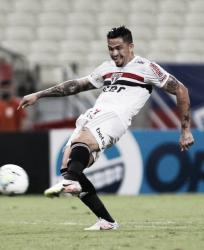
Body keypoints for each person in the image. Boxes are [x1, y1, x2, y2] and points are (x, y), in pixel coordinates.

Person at [18, 26, 194, 230]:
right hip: (95, 115)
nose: (114, 53)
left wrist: (185, 130)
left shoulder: (147, 68)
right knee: (69, 165)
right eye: (110, 48)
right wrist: (39, 95)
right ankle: (107, 220)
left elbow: (181, 90)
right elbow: (77, 85)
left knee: (78, 151)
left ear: (131, 46)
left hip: (115, 117)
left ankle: (70, 182)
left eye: (119, 48)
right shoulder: (106, 68)